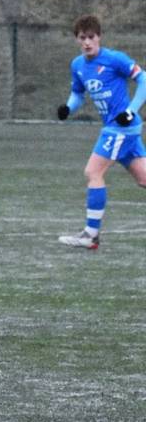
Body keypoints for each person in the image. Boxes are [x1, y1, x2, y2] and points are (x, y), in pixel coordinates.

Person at [57, 14, 146, 249]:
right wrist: (68, 107)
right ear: (77, 39)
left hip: (122, 127)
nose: (87, 42)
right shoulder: (77, 65)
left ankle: (91, 235)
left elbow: (144, 79)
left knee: (93, 172)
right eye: (82, 38)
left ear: (99, 37)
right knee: (143, 178)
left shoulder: (114, 59)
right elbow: (78, 93)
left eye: (91, 37)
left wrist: (131, 110)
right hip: (115, 128)